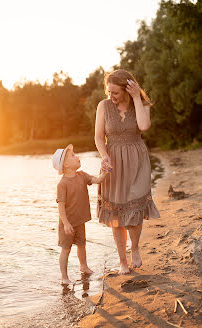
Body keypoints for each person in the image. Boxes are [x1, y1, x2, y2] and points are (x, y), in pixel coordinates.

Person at [95, 69, 160, 274]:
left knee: (135, 206)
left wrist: (136, 98)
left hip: (137, 161)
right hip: (112, 161)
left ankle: (136, 249)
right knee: (116, 212)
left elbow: (144, 125)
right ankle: (122, 261)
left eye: (115, 92)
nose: (110, 96)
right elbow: (98, 138)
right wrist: (104, 155)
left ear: (127, 89)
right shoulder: (103, 106)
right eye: (108, 92)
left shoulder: (141, 104)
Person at [52, 144, 109, 284]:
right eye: (72, 155)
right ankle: (64, 277)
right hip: (67, 224)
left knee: (82, 245)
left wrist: (105, 173)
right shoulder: (62, 184)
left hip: (80, 221)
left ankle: (83, 266)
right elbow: (61, 206)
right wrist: (65, 223)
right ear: (65, 164)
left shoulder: (82, 176)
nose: (77, 156)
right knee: (66, 250)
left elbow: (96, 180)